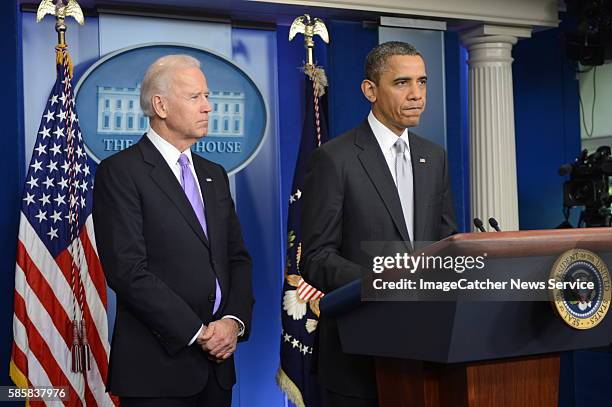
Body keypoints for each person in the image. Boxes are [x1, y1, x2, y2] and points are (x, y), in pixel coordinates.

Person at [301, 41, 458, 406]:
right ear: (370, 90)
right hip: (357, 354)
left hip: (424, 350)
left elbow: (446, 242)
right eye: (402, 83)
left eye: (422, 82)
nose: (417, 94)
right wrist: (384, 283)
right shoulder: (334, 159)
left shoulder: (434, 158)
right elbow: (316, 257)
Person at [93, 54, 253, 407]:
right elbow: (128, 271)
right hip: (157, 371)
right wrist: (198, 333)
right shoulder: (120, 172)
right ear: (160, 105)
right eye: (195, 97)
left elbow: (236, 258)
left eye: (207, 96)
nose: (209, 107)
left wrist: (232, 322)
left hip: (218, 369)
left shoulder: (214, 174)